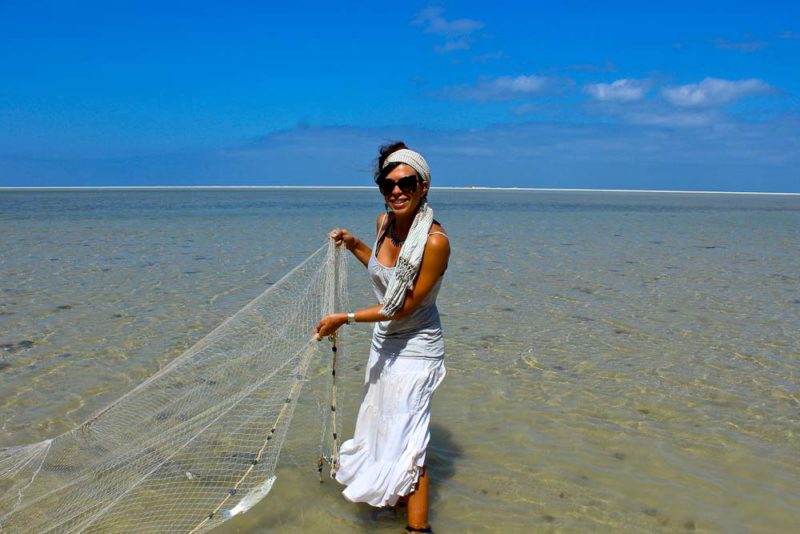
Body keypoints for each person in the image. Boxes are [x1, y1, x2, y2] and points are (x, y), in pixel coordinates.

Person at [313, 142, 449, 533]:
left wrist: (346, 317)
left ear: (423, 186)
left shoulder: (435, 242)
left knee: (410, 441)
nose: (396, 191)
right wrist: (354, 243)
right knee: (381, 431)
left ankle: (418, 529)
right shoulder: (383, 223)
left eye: (406, 182)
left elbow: (401, 305)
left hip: (417, 350)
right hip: (384, 344)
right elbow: (381, 272)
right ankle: (392, 504)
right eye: (387, 184)